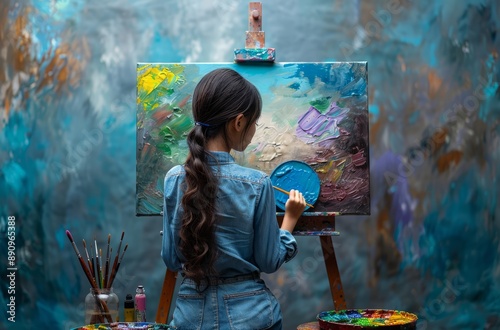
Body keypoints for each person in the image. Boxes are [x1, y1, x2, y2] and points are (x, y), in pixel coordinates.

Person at [161, 68, 306, 330]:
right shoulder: (258, 184)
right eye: (254, 122)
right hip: (251, 314)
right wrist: (290, 220)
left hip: (190, 316)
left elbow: (172, 260)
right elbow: (269, 261)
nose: (253, 131)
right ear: (238, 122)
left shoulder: (174, 179)